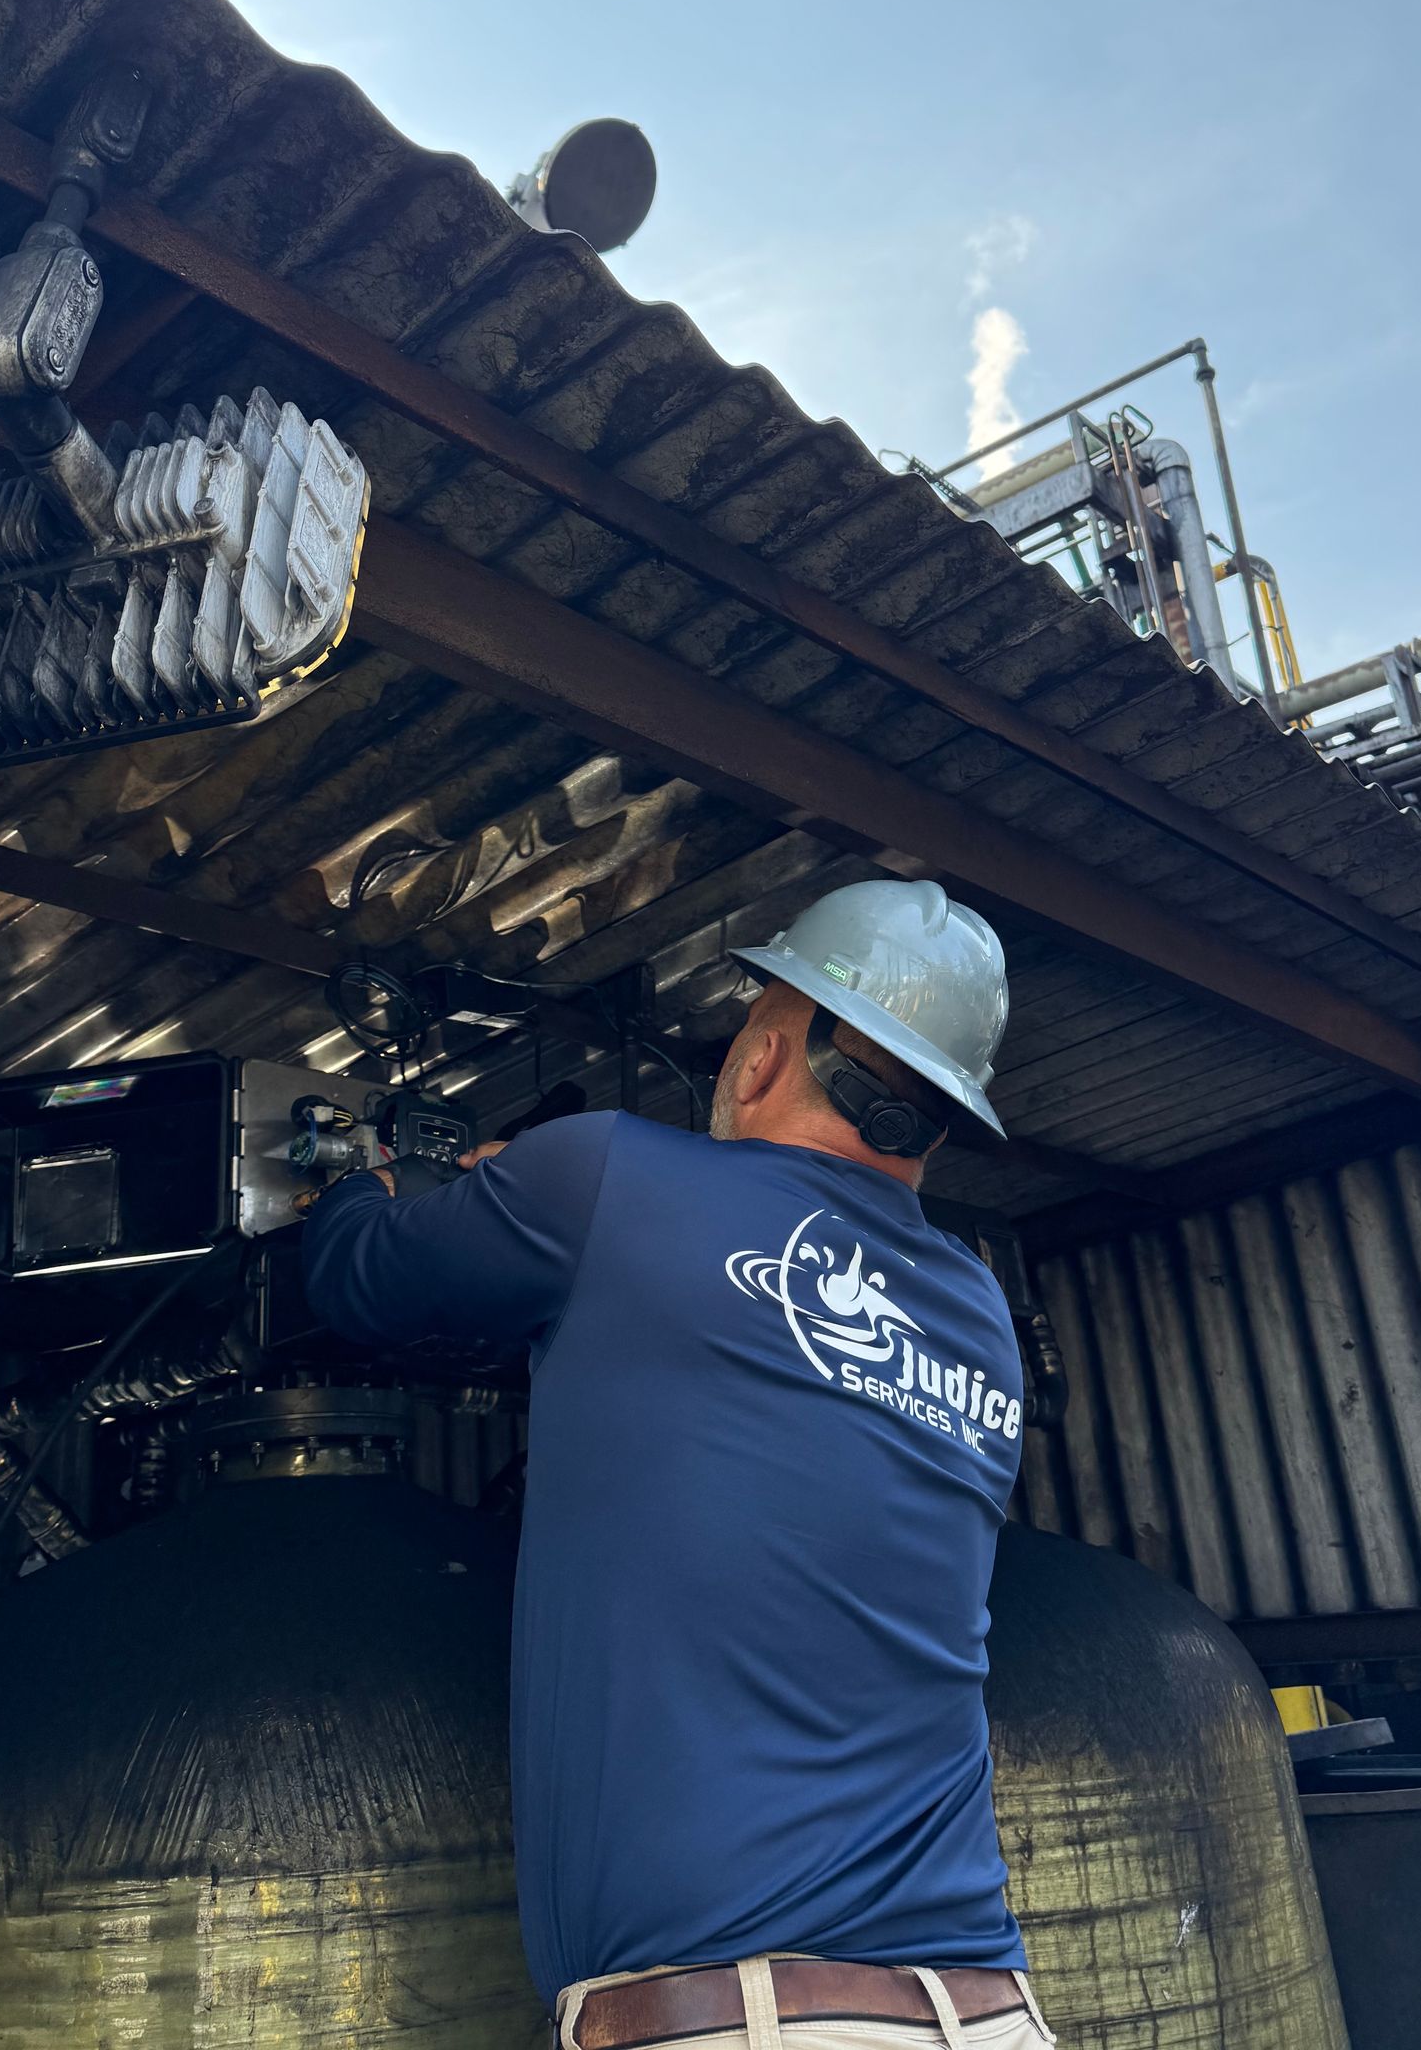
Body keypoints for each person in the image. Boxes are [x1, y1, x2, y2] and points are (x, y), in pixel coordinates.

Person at [302, 878, 1051, 2050]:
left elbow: (360, 1280)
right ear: (945, 1114)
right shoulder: (979, 1314)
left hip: (749, 2027)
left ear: (758, 1057)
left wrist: (363, 1179)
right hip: (988, 2014)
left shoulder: (605, 1178)